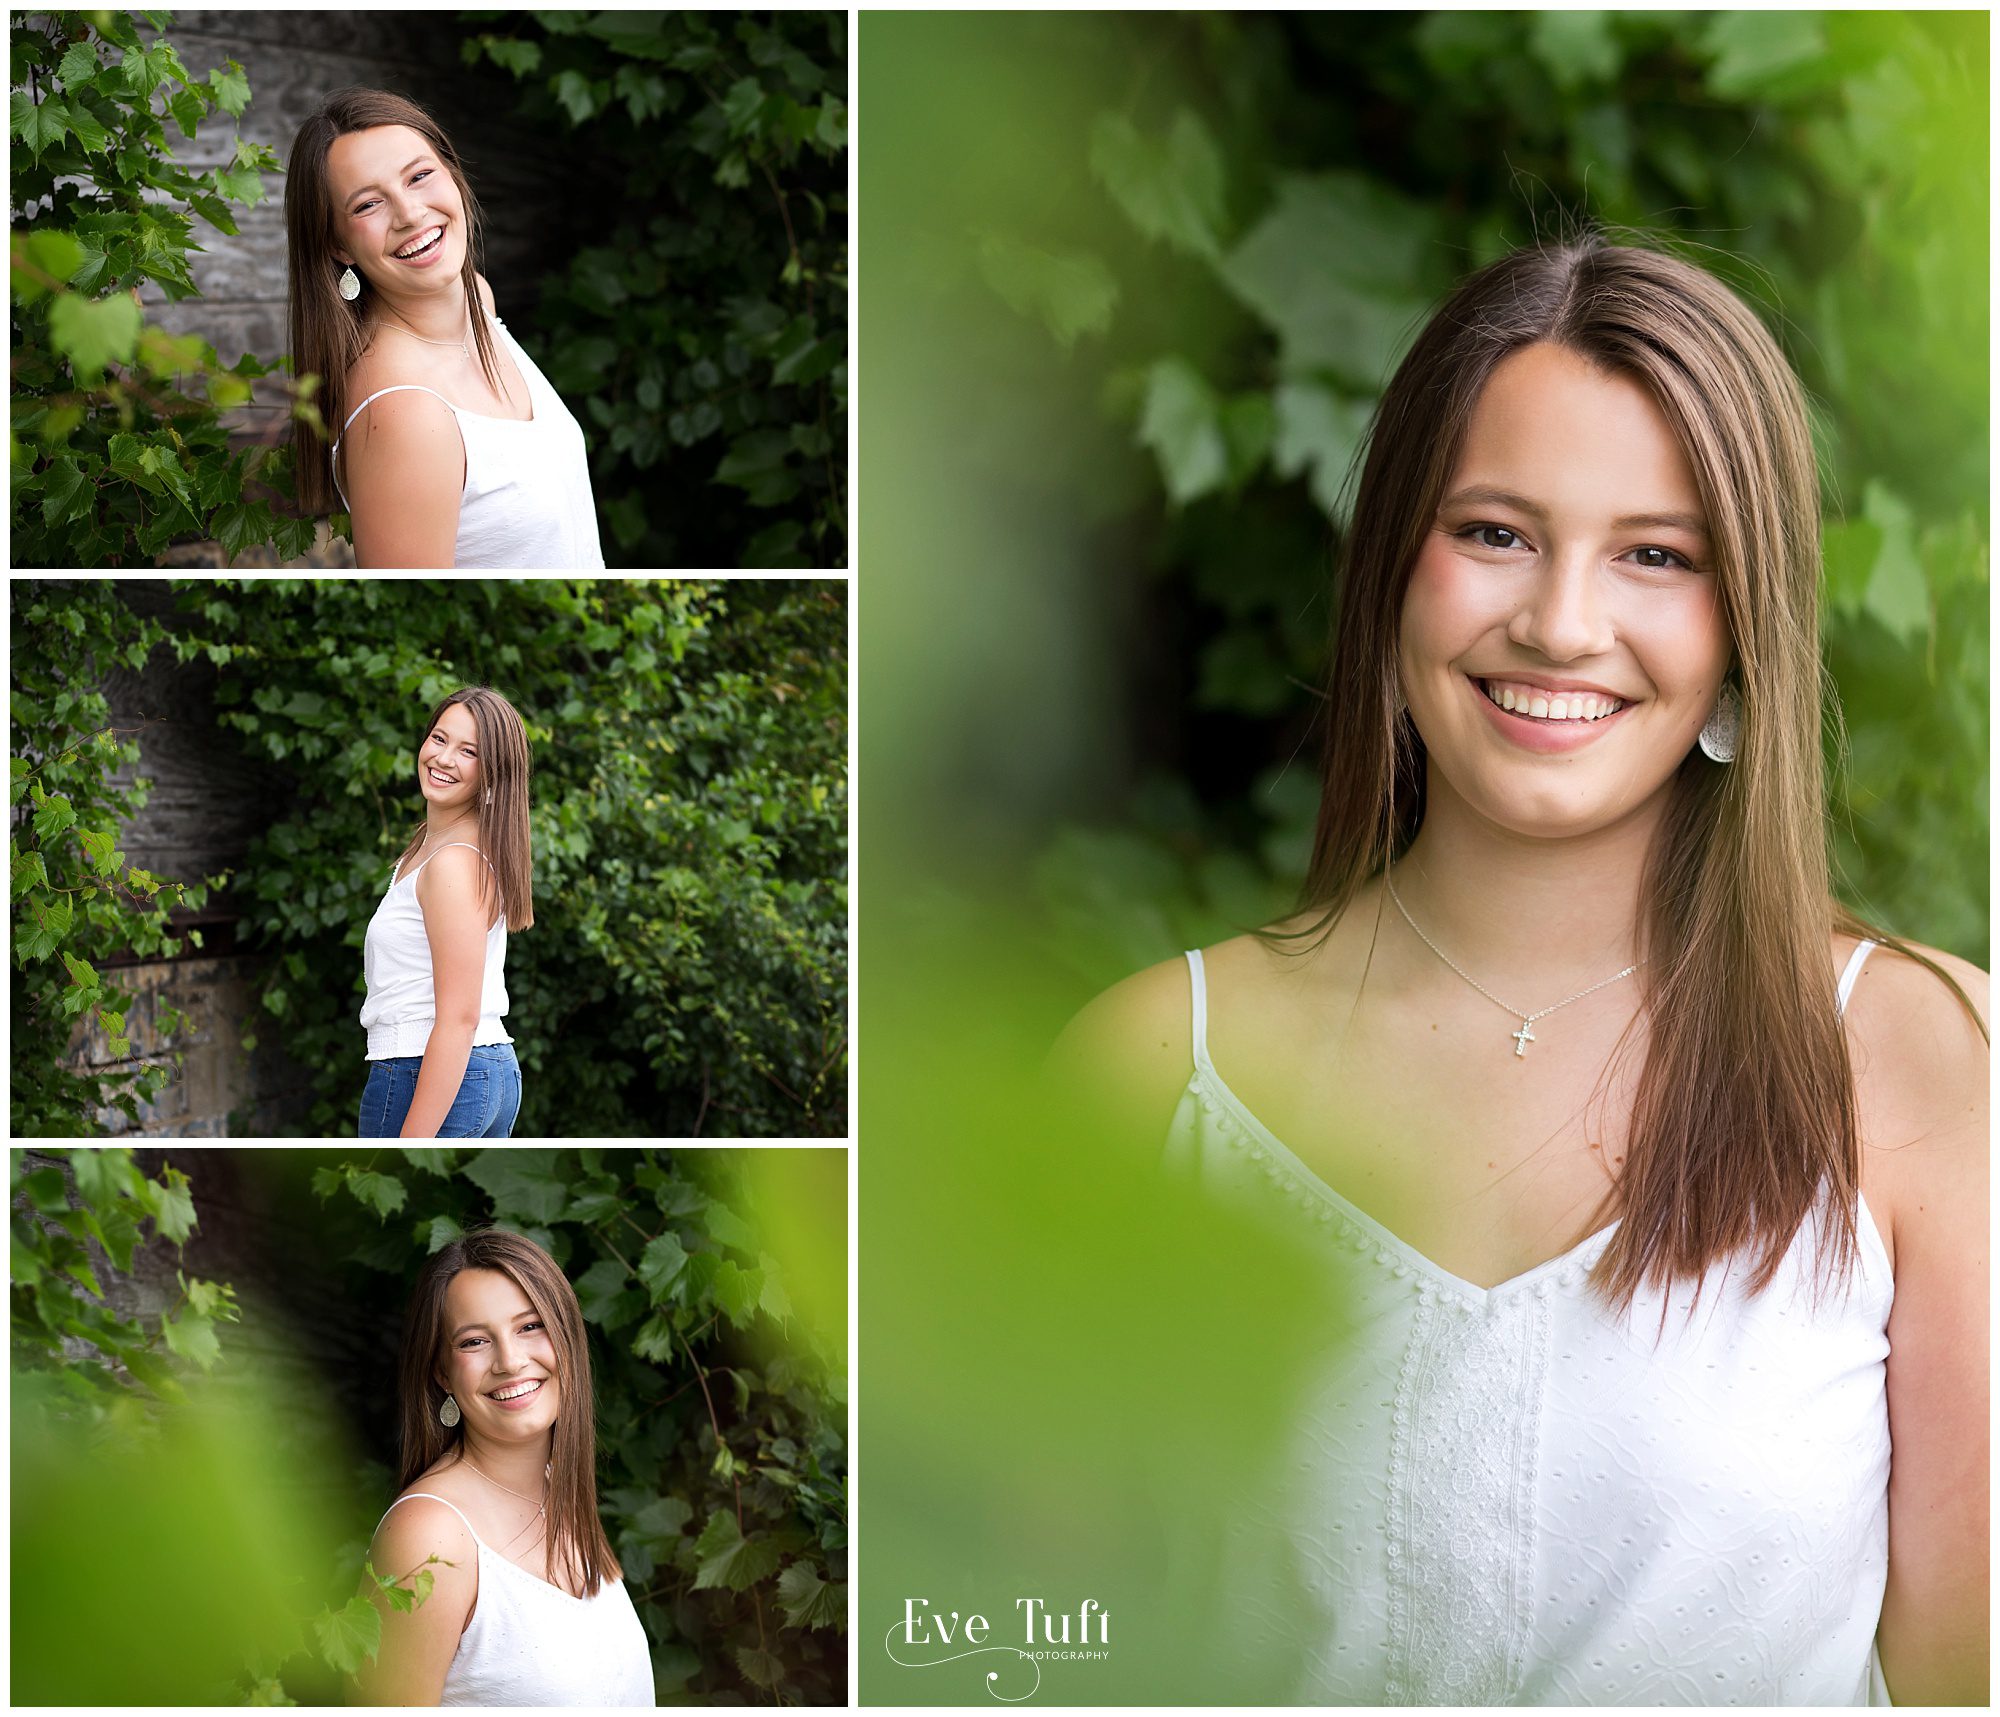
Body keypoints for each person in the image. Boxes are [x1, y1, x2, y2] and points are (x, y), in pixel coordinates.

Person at [1056, 238, 1988, 1704]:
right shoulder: (1146, 1078)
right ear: (1391, 571)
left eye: (1658, 555)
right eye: (1494, 531)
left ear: (1747, 618)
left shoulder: (1923, 1060)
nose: (1560, 622)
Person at [284, 88, 606, 569]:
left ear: (453, 176)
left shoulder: (478, 300)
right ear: (338, 246)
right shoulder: (403, 414)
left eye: (419, 176)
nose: (411, 214)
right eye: (368, 205)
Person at [352, 1227, 654, 1705]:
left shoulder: (558, 1491)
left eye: (530, 1326)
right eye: (474, 1341)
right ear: (442, 1373)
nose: (511, 1362)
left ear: (566, 1339)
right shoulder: (429, 1536)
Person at [359, 685, 532, 1138]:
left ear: (493, 772)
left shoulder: (453, 861)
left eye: (468, 751)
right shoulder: (433, 845)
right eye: (439, 738)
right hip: (477, 1072)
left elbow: (458, 1017)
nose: (443, 758)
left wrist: (409, 1147)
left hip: (428, 1072)